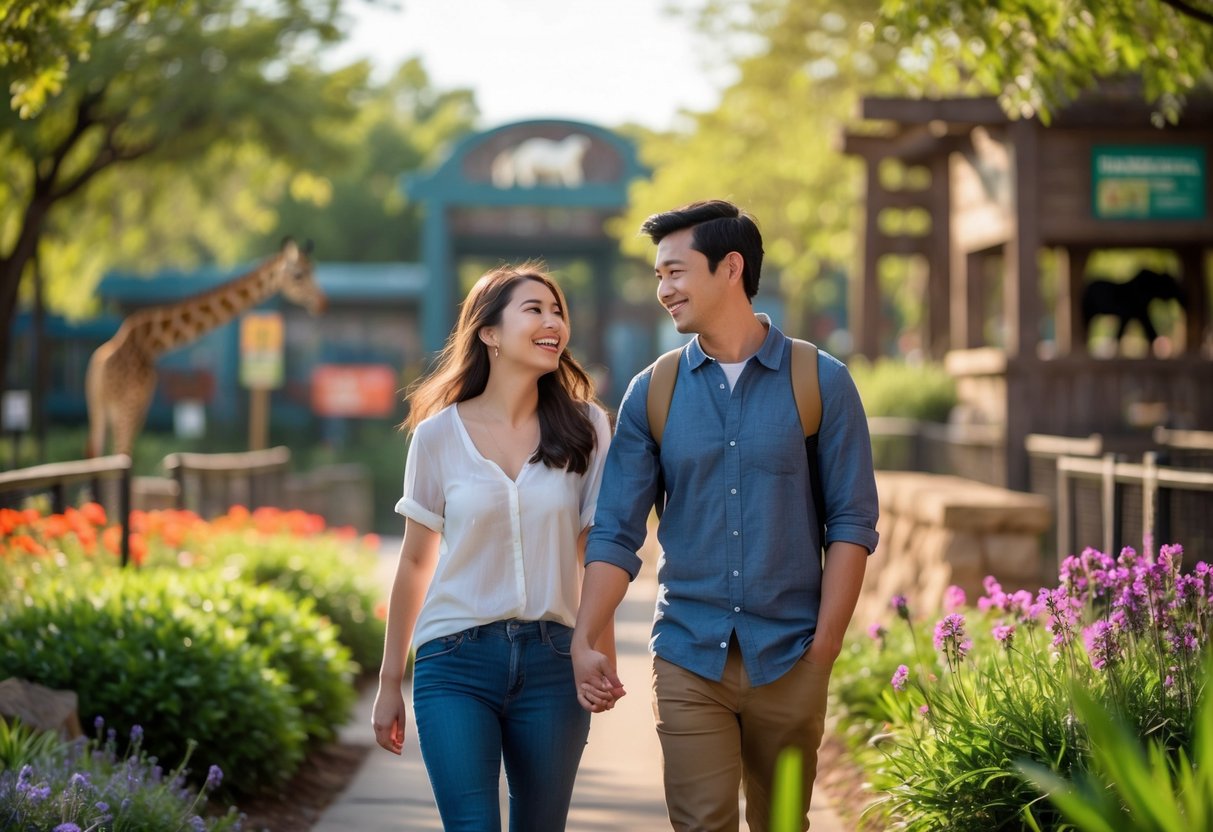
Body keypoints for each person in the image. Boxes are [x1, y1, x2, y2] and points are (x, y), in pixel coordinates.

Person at [571, 200, 879, 832]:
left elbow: (851, 522)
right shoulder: (651, 392)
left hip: (791, 654)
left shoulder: (822, 381)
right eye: (658, 276)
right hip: (690, 654)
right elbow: (616, 530)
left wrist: (823, 649)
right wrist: (586, 635)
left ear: (730, 267)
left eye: (675, 272)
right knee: (700, 824)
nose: (663, 290)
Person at [372, 262, 615, 832]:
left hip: (553, 660)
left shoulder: (588, 429)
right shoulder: (436, 436)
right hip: (454, 662)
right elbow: (413, 563)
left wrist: (594, 647)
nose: (553, 321)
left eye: (558, 311)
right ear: (489, 333)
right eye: (535, 310)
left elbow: (596, 547)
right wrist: (388, 684)